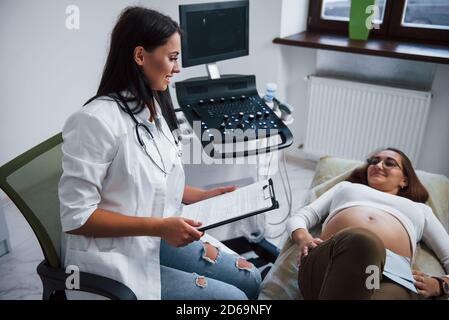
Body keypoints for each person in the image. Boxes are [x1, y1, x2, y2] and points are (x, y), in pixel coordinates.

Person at [58, 6, 261, 300]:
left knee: (251, 278)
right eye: (172, 58)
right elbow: (76, 218)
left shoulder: (153, 106)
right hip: (115, 258)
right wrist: (160, 227)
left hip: (154, 236)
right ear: (140, 56)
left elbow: (158, 180)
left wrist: (201, 196)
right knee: (235, 299)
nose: (177, 68)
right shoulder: (94, 122)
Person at [287, 148, 449, 299]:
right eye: (373, 161)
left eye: (389, 163)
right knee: (364, 241)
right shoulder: (347, 188)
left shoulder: (420, 210)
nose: (378, 165)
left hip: (389, 279)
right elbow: (301, 217)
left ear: (405, 180)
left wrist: (441, 284)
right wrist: (304, 238)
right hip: (331, 263)